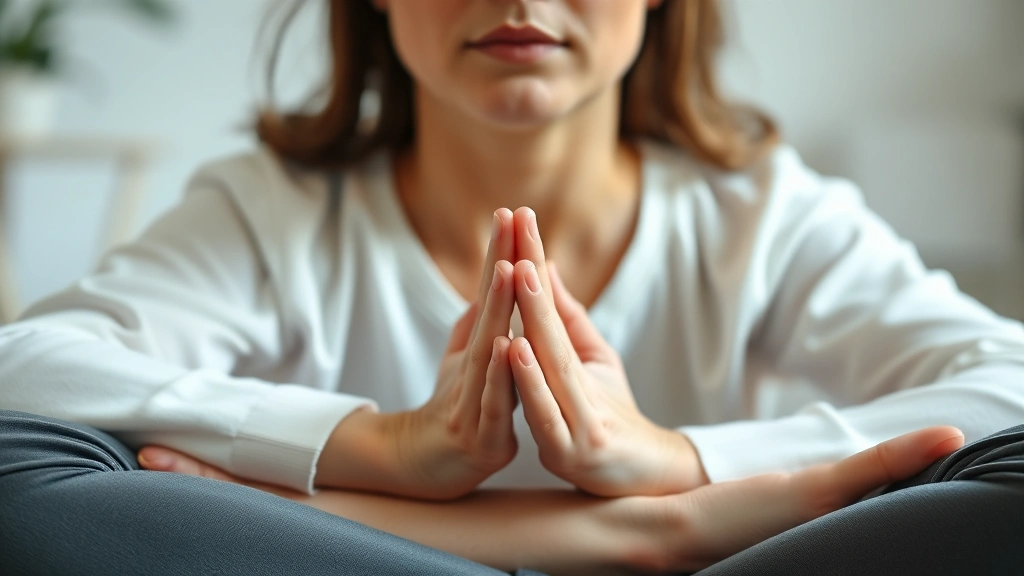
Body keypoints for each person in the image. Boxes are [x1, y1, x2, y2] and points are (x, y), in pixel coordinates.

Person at [1, 0, 1023, 574]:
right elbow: (27, 369)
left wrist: (676, 464)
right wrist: (383, 447)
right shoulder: (272, 208)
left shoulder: (760, 214)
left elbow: (1007, 383)